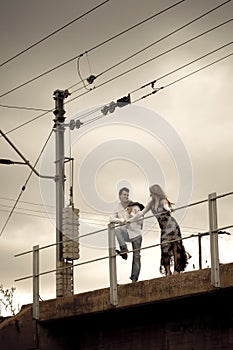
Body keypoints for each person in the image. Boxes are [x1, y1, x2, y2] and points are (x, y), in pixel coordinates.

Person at [127, 184, 190, 276]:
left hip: (172, 226)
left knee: (176, 247)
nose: (150, 194)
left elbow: (166, 206)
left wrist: (169, 209)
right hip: (164, 229)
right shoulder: (151, 203)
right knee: (165, 249)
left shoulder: (163, 200)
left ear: (155, 192)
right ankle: (168, 272)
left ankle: (177, 270)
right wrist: (129, 220)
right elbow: (142, 213)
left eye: (151, 192)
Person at [109, 187, 144, 283]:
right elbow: (111, 219)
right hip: (127, 233)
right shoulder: (117, 207)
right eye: (124, 195)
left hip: (136, 234)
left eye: (127, 195)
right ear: (120, 196)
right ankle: (124, 249)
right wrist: (122, 221)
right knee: (117, 230)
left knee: (136, 256)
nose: (126, 197)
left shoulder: (135, 206)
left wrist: (131, 215)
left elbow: (141, 220)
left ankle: (134, 279)